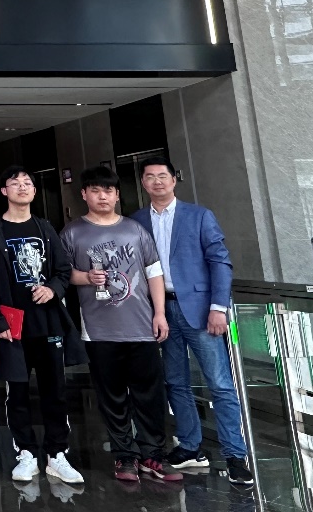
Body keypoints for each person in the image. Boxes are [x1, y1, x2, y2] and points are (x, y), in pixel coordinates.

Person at [131, 157, 253, 487]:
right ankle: (189, 446)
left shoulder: (199, 216)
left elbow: (220, 262)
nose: (157, 181)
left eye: (163, 176)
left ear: (174, 180)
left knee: (219, 383)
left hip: (200, 310)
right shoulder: (137, 221)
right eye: (150, 177)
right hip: (160, 311)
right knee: (175, 382)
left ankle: (235, 455)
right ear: (143, 183)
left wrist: (219, 307)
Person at [61, 165, 182, 483]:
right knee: (112, 396)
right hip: (98, 330)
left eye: (109, 191)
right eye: (96, 190)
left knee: (149, 395)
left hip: (141, 327)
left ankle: (153, 455)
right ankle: (124, 455)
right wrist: (86, 277)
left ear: (117, 195)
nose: (103, 196)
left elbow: (154, 273)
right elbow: (62, 274)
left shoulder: (135, 230)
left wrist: (159, 313)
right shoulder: (73, 233)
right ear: (84, 194)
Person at [0, 169, 84, 485]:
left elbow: (63, 271)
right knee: (17, 392)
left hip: (47, 322)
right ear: (4, 190)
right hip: (13, 326)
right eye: (15, 183)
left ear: (34, 191)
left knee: (55, 391)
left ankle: (57, 454)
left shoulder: (45, 228)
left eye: (27, 184)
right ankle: (25, 453)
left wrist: (52, 289)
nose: (22, 188)